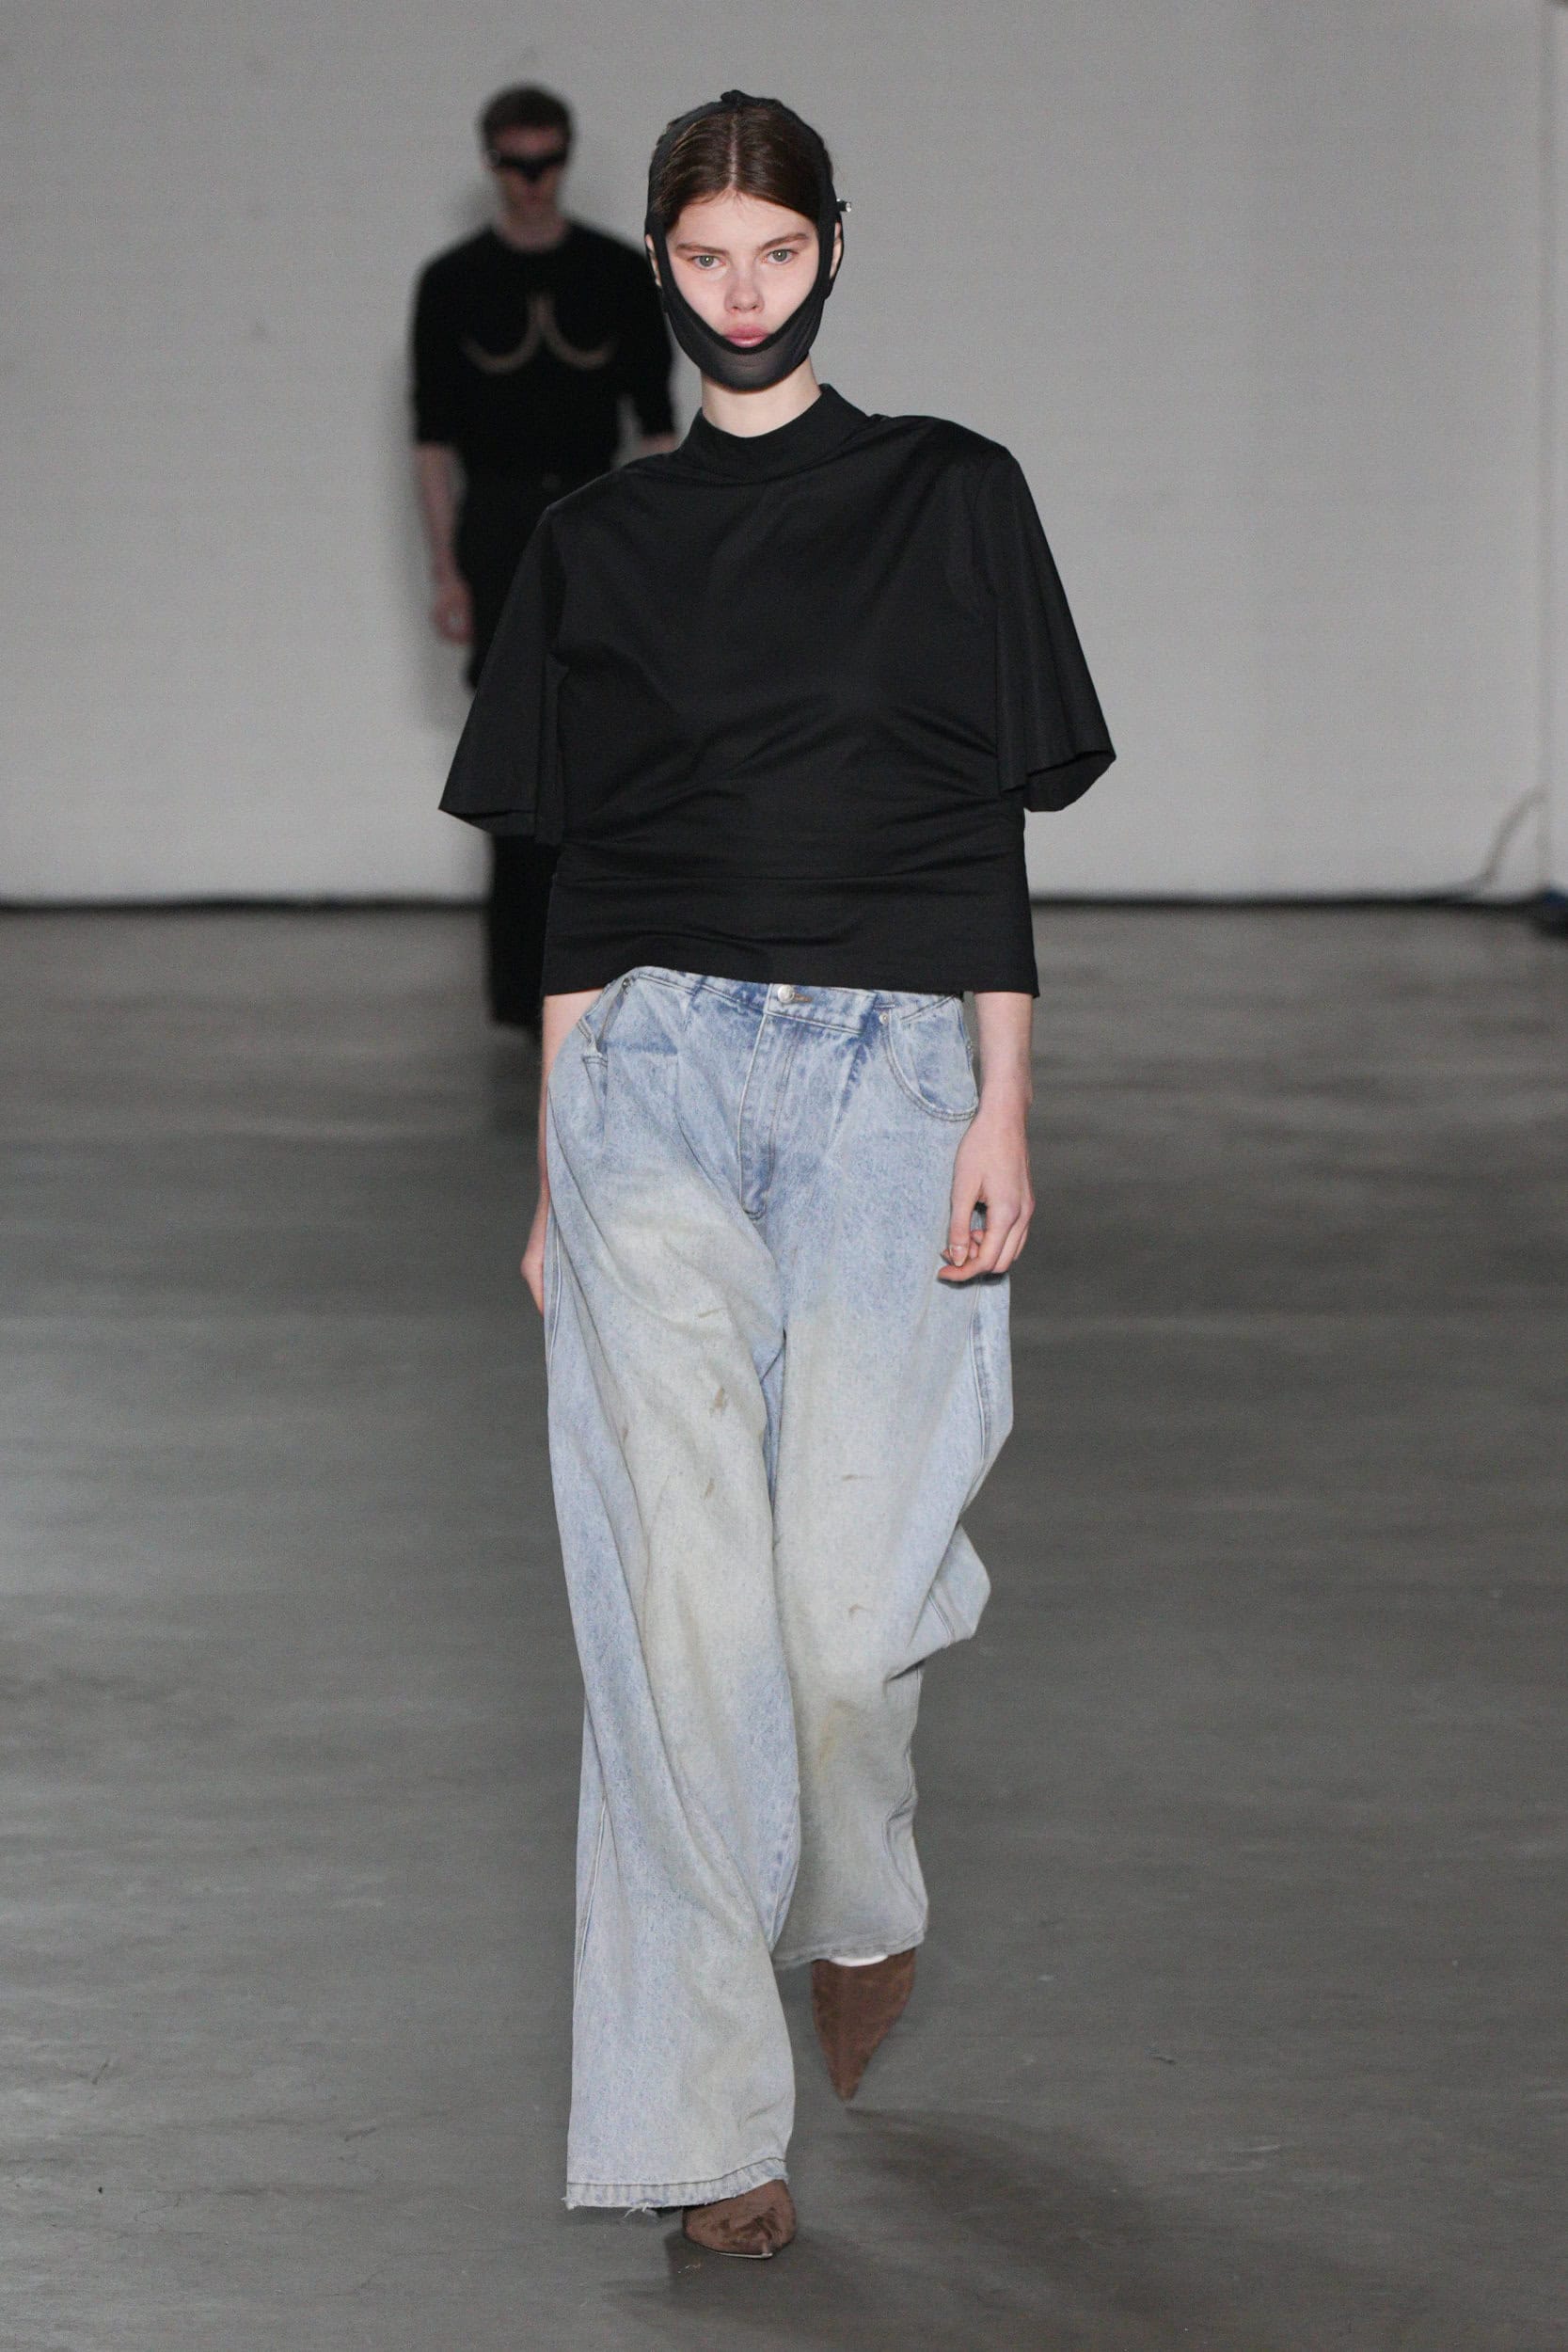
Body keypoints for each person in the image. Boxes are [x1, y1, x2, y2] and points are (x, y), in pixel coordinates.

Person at [439, 89, 1114, 2258]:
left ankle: (857, 1888)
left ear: (832, 248)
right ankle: (702, 2126)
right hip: (648, 1075)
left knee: (835, 1618)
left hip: (892, 1076)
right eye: (705, 259)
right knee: (672, 1614)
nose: (741, 296)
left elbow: (975, 818)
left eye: (777, 253)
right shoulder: (597, 541)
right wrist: (551, 1165)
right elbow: (580, 871)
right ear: (660, 267)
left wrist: (1002, 1099)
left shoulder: (949, 492)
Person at [411, 85, 676, 1033]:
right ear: (491, 162)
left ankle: (594, 970)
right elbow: (431, 440)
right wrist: (446, 570)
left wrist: (654, 550)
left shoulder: (616, 274)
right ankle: (521, 985)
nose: (533, 180)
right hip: (496, 527)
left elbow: (657, 425)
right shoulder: (452, 283)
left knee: (602, 743)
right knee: (509, 749)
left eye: (548, 160)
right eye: (517, 163)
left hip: (596, 520)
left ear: (566, 156)